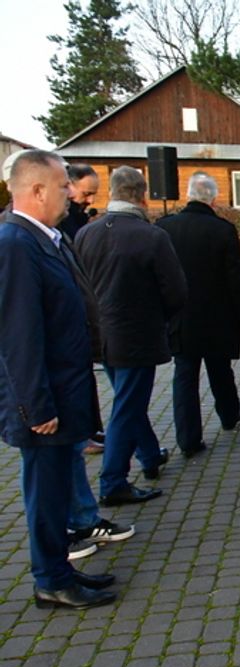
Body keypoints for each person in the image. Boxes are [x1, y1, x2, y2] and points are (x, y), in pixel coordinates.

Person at [0, 150, 116, 609]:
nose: (71, 193)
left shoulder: (45, 238)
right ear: (36, 190)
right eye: (63, 184)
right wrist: (36, 407)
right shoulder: (14, 244)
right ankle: (49, 578)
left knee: (55, 491)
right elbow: (18, 335)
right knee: (45, 496)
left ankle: (61, 570)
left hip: (63, 390)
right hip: (43, 402)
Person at [75, 166, 187, 506]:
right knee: (126, 406)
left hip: (99, 335)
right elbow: (176, 291)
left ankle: (150, 455)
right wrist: (162, 319)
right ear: (142, 195)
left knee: (126, 400)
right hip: (137, 335)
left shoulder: (85, 234)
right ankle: (113, 481)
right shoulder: (150, 236)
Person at [157, 172, 240, 457]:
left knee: (184, 375)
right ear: (213, 199)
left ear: (187, 195)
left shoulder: (164, 228)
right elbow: (236, 280)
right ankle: (228, 414)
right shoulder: (223, 230)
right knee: (220, 370)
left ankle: (188, 439)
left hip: (179, 317)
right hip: (217, 318)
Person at [58, 163, 99, 241]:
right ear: (68, 186)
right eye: (86, 194)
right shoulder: (56, 223)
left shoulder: (80, 219)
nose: (91, 201)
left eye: (94, 194)